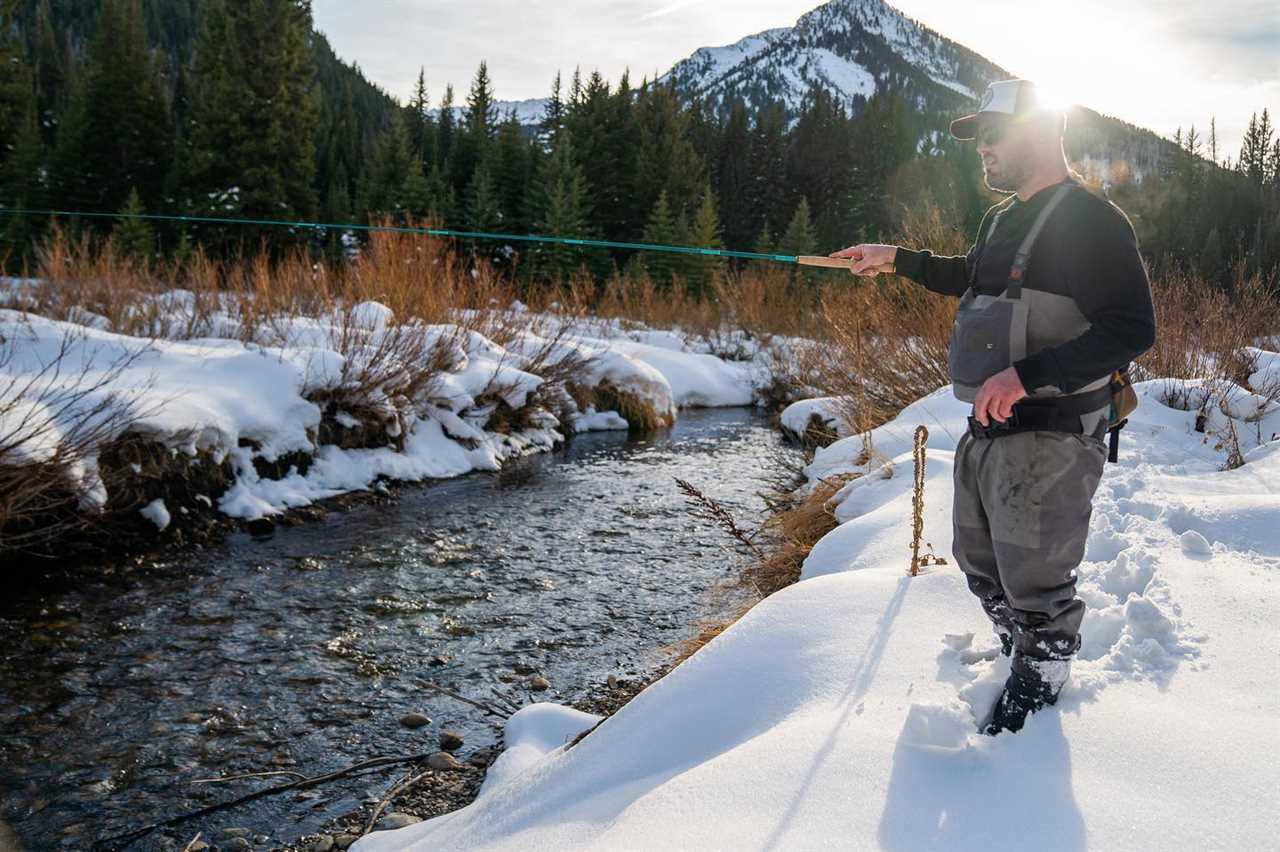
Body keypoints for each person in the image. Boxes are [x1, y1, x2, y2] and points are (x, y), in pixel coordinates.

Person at [830, 79, 1156, 735]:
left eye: (993, 134)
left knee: (1035, 578)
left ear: (1036, 134)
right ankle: (1018, 648)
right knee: (980, 563)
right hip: (991, 428)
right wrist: (894, 259)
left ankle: (1038, 692)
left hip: (1057, 433)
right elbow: (971, 275)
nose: (982, 149)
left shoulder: (1092, 221)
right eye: (977, 138)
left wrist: (1030, 373)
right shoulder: (1003, 218)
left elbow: (1132, 329)